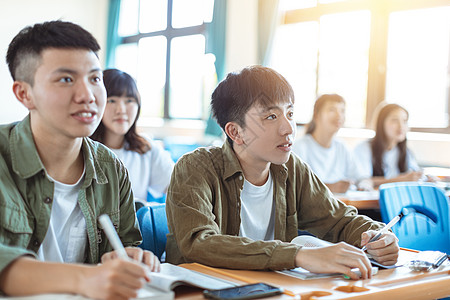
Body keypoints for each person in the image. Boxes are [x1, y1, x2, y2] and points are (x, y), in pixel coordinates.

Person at [166, 66, 399, 280]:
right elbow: (200, 243)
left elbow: (340, 220)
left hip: (275, 290)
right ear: (235, 132)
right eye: (271, 116)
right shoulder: (195, 168)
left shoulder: (291, 169)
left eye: (289, 113)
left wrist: (377, 235)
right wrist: (297, 255)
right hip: (207, 290)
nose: (288, 129)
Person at [0, 21, 159, 299]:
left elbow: (122, 245)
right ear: (24, 94)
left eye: (95, 79)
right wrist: (85, 278)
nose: (87, 96)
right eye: (66, 79)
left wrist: (126, 259)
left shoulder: (111, 168)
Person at [90, 69, 174, 206]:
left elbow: (178, 187)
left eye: (129, 100)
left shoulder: (145, 148)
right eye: (111, 100)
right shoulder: (81, 148)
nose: (121, 110)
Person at [292, 94, 370, 193]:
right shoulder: (300, 147)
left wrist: (364, 185)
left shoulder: (342, 147)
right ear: (316, 115)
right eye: (332, 110)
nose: (339, 116)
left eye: (342, 111)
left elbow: (361, 177)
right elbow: (295, 186)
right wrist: (330, 188)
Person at [353, 103, 422, 188]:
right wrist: (402, 179)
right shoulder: (363, 149)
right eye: (394, 120)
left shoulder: (405, 152)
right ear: (381, 123)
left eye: (404, 121)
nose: (401, 126)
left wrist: (423, 178)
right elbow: (364, 181)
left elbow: (414, 174)